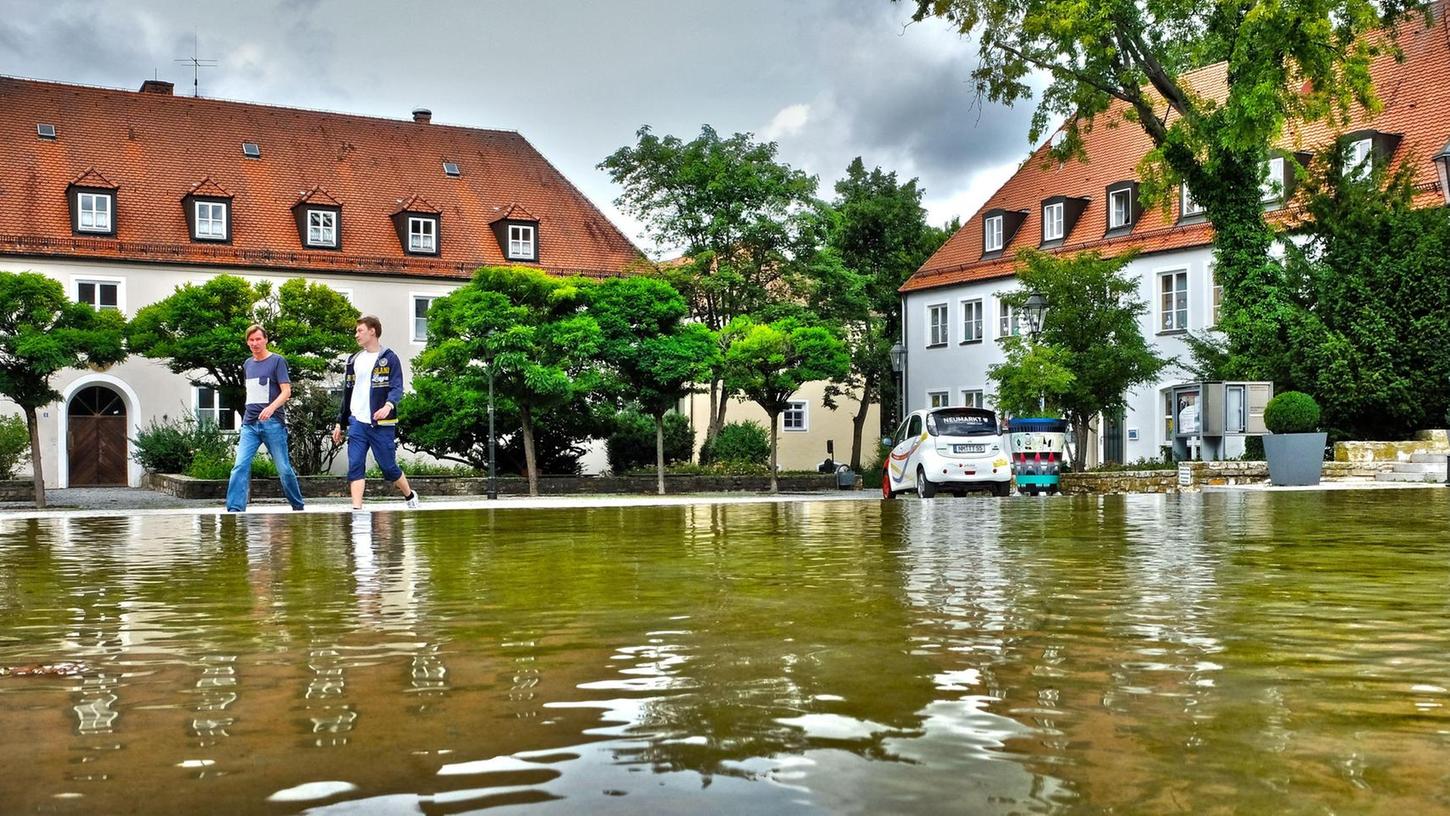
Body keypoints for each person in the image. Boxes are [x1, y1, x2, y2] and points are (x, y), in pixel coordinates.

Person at [333, 315, 420, 510]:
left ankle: (409, 495)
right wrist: (341, 422)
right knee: (355, 465)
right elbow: (347, 394)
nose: (356, 335)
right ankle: (357, 509)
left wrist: (388, 406)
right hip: (357, 422)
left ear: (372, 331)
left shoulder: (389, 358)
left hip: (381, 425)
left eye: (360, 330)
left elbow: (397, 387)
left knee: (388, 468)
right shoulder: (354, 360)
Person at [226, 324, 306, 512]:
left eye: (258, 339)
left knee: (284, 469)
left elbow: (286, 391)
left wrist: (271, 408)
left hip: (273, 424)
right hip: (249, 425)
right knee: (239, 466)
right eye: (251, 340)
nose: (255, 343)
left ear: (266, 340)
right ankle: (234, 509)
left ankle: (298, 506)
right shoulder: (247, 364)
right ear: (247, 342)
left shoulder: (277, 361)